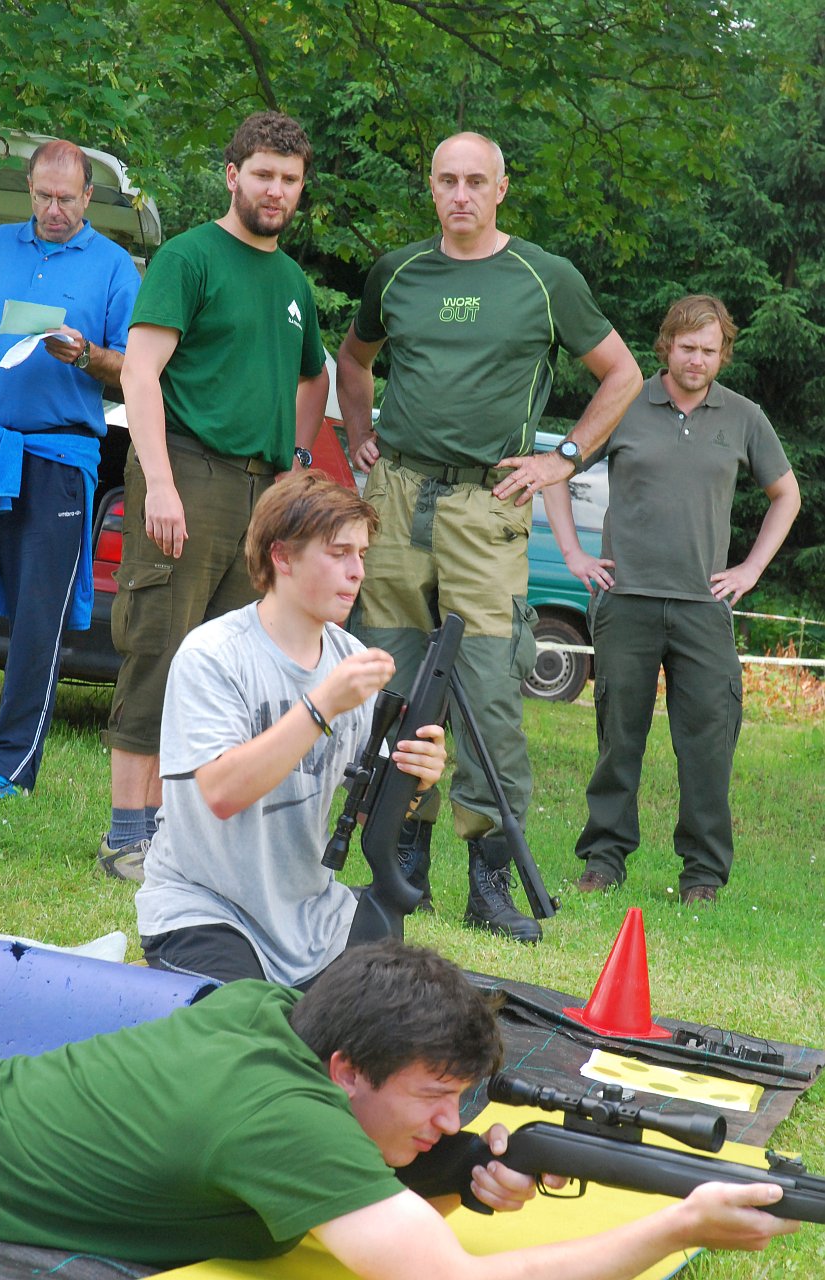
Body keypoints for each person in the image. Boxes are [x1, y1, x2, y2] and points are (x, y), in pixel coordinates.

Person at [0, 938, 797, 1276]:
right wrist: (677, 1228)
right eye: (433, 1097)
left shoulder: (267, 1010)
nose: (451, 1122)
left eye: (458, 1099)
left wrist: (455, 1180)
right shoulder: (283, 1123)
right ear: (346, 1071)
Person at [336, 131, 643, 942]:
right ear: (430, 187)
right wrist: (359, 432)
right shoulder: (396, 272)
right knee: (389, 682)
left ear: (500, 189)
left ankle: (488, 880)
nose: (460, 194)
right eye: (447, 180)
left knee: (488, 693)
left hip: (488, 502)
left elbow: (622, 374)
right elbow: (354, 359)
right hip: (398, 496)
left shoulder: (545, 278)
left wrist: (561, 459)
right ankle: (398, 865)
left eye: (476, 180)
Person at [101, 111, 330, 879]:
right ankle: (127, 835)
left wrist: (298, 462)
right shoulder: (188, 257)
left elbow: (314, 376)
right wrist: (160, 483)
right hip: (188, 470)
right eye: (262, 174)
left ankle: (183, 838)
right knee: (160, 647)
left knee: (227, 666)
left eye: (289, 179)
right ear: (232, 176)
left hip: (263, 490)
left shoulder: (291, 281)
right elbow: (140, 373)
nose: (275, 190)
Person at [135, 472, 446, 987]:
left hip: (315, 921)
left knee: (407, 1014)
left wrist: (417, 779)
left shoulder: (348, 660)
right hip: (205, 912)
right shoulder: (212, 655)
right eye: (339, 553)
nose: (356, 572)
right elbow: (222, 793)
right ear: (281, 557)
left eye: (361, 554)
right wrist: (321, 706)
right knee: (252, 1025)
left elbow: (368, 810)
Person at [543, 295, 801, 904]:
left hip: (703, 607)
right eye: (687, 347)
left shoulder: (743, 417)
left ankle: (703, 875)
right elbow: (556, 470)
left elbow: (786, 495)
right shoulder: (626, 402)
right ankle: (604, 860)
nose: (697, 360)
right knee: (618, 741)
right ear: (666, 346)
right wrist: (573, 555)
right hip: (626, 600)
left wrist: (750, 569)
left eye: (709, 350)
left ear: (723, 353)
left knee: (709, 744)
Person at [0, 139, 140, 799]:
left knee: (38, 620)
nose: (54, 209)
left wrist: (86, 354)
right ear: (30, 189)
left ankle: (7, 770)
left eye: (67, 198)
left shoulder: (114, 267)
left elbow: (134, 367)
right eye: (43, 195)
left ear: (88, 196)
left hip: (57, 460)